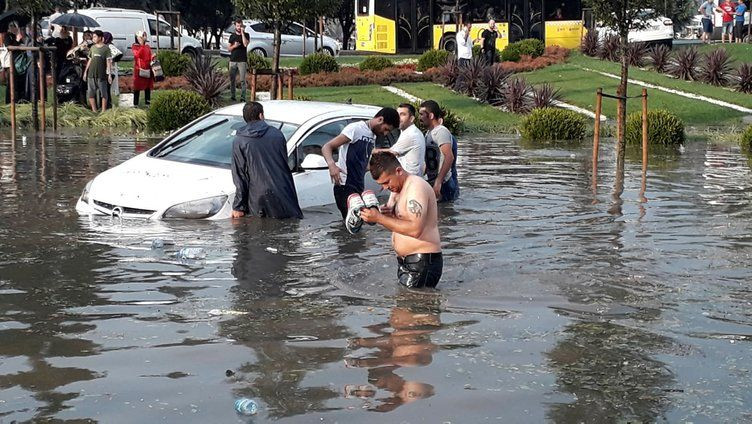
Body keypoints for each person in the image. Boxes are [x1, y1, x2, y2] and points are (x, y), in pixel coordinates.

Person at [360, 151, 443, 289]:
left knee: (412, 308)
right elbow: (399, 225)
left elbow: (415, 229)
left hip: (423, 260)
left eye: (387, 182)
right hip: (407, 261)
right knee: (401, 309)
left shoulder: (416, 187)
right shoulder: (396, 190)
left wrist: (379, 218)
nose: (385, 187)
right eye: (382, 184)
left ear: (398, 171)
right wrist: (385, 216)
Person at [322, 107, 399, 219]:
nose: (385, 133)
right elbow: (327, 147)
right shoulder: (355, 129)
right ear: (380, 119)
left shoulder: (371, 136)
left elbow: (363, 164)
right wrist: (332, 165)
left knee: (358, 223)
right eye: (386, 129)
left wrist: (383, 178)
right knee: (353, 223)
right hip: (345, 185)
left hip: (358, 186)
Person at [231, 101, 303, 220]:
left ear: (245, 118)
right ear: (261, 115)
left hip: (257, 198)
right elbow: (283, 163)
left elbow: (240, 175)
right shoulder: (277, 134)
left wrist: (238, 206)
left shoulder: (240, 140)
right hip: (284, 193)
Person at [419, 100, 459, 203]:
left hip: (444, 183)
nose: (419, 118)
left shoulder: (441, 132)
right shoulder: (428, 133)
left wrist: (439, 181)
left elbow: (449, 157)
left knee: (444, 215)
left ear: (431, 115)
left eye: (422, 114)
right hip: (434, 180)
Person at [376, 103, 425, 176]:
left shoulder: (411, 134)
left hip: (410, 181)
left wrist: (372, 151)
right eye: (397, 114)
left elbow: (391, 152)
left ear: (411, 119)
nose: (398, 118)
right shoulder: (406, 131)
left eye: (402, 114)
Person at [83, 30, 112, 112]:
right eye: (93, 37)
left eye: (95, 37)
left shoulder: (106, 49)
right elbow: (90, 60)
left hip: (101, 74)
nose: (93, 38)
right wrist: (85, 72)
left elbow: (108, 62)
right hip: (91, 74)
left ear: (100, 37)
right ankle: (94, 110)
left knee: (103, 93)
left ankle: (103, 110)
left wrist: (109, 74)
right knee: (91, 93)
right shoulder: (92, 48)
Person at [228, 18, 250, 102]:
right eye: (237, 26)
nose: (239, 27)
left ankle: (243, 97)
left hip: (242, 60)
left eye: (240, 26)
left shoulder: (246, 35)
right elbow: (229, 49)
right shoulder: (232, 36)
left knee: (242, 80)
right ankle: (233, 96)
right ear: (235, 26)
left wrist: (242, 33)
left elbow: (245, 44)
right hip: (233, 60)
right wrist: (234, 46)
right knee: (232, 79)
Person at [132, 30, 154, 106]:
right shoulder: (135, 46)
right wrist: (141, 45)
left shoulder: (147, 46)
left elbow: (149, 55)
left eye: (145, 35)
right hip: (139, 69)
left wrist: (153, 57)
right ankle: (136, 104)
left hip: (148, 68)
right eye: (143, 35)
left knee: (147, 86)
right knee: (137, 87)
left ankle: (147, 103)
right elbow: (137, 55)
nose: (145, 37)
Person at [102, 32, 122, 109]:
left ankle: (108, 106)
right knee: (105, 90)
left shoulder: (110, 46)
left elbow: (118, 55)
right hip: (106, 71)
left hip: (109, 71)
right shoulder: (105, 46)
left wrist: (111, 60)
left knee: (106, 90)